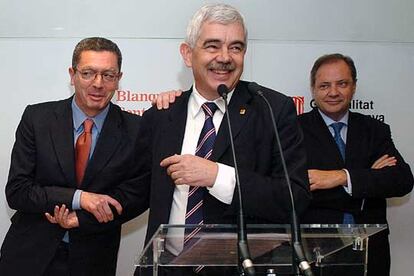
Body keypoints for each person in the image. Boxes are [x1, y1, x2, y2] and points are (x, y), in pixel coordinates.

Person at [135, 3, 310, 275]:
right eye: (213, 46)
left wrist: (217, 176)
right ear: (187, 53)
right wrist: (81, 206)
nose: (225, 57)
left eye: (236, 47)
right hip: (167, 268)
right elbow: (134, 189)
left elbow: (294, 196)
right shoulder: (161, 115)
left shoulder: (272, 109)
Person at [0, 37, 149, 276]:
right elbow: (17, 191)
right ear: (72, 75)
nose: (98, 84)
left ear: (119, 79)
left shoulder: (137, 129)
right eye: (88, 73)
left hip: (94, 260)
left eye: (108, 75)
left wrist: (81, 219)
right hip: (28, 256)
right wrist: (80, 198)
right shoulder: (37, 119)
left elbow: (136, 197)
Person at [299, 53, 414, 276]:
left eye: (342, 84)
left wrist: (341, 177)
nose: (333, 92)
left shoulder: (374, 130)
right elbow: (298, 189)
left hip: (371, 253)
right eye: (324, 85)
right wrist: (367, 181)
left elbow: (402, 181)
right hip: (315, 252)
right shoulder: (294, 130)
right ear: (313, 89)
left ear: (354, 86)